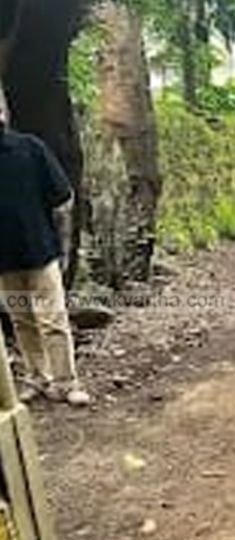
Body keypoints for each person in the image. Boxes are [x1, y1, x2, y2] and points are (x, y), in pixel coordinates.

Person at [0, 87, 91, 406]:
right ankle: (38, 378)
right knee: (21, 320)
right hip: (4, 261)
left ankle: (67, 383)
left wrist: (63, 246)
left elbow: (62, 198)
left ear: (4, 113)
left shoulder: (30, 149)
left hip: (40, 252)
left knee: (53, 319)